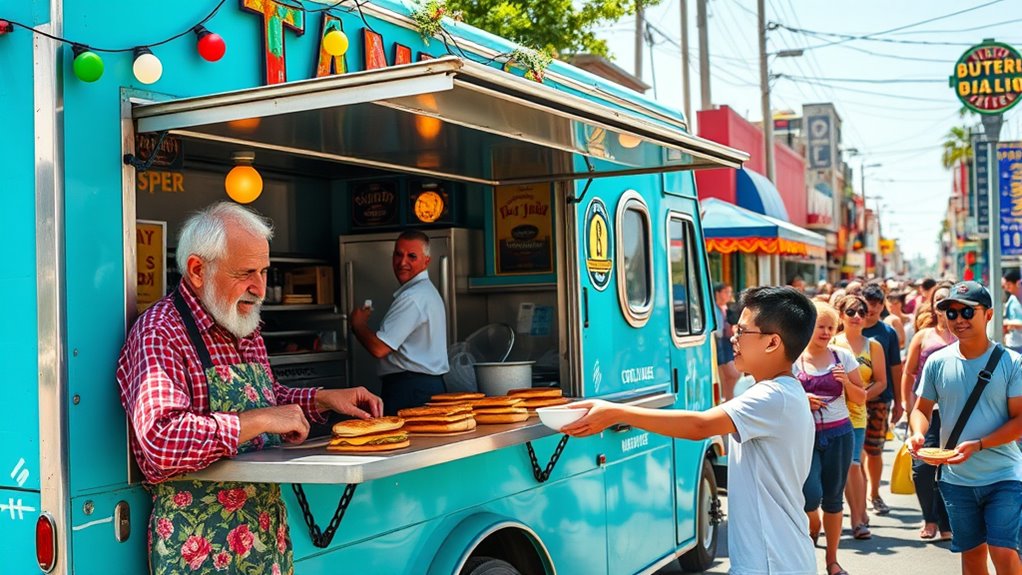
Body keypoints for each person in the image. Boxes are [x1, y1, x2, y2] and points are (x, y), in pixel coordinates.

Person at [116, 202, 383, 575]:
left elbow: (268, 401)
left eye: (263, 271)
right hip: (200, 549)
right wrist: (260, 420)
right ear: (197, 270)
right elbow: (161, 440)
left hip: (265, 533)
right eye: (245, 273)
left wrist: (322, 399)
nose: (259, 289)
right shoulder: (160, 332)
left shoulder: (243, 323)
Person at [562, 287, 818, 575]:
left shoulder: (773, 395)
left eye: (742, 332)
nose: (732, 338)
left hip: (773, 563)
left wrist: (615, 413)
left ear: (772, 342)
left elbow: (700, 425)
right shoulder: (780, 392)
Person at [909, 280, 1022, 574]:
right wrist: (918, 433)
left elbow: (1019, 422)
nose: (958, 319)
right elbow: (921, 410)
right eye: (951, 313)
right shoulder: (937, 361)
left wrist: (980, 444)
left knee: (1002, 550)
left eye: (967, 312)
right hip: (956, 479)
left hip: (1004, 476)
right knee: (972, 556)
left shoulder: (1012, 363)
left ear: (988, 314)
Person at [794, 301, 865, 574]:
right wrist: (803, 399)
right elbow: (779, 396)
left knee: (834, 499)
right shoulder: (794, 359)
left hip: (839, 434)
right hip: (804, 437)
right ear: (808, 327)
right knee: (808, 497)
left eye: (829, 327)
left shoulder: (843, 357)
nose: (824, 332)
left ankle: (831, 561)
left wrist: (846, 383)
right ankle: (813, 527)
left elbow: (861, 399)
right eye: (819, 326)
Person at [350, 230, 449, 415]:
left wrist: (358, 324)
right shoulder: (423, 292)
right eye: (398, 254)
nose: (402, 262)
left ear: (426, 261)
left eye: (412, 256)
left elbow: (379, 348)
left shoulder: (414, 297)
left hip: (411, 389)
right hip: (420, 386)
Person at [831, 294, 887, 540]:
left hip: (856, 414)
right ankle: (853, 513)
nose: (856, 317)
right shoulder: (830, 342)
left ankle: (857, 519)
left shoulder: (873, 345)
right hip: (830, 414)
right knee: (839, 469)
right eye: (851, 312)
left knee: (853, 464)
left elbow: (882, 381)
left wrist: (860, 394)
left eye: (861, 312)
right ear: (840, 315)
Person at [902, 283, 955, 541]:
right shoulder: (923, 336)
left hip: (956, 413)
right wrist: (906, 406)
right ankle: (929, 518)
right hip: (926, 410)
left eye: (948, 299)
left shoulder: (966, 336)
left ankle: (946, 522)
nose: (943, 305)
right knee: (922, 466)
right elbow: (909, 372)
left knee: (949, 467)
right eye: (939, 300)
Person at [861, 283, 904, 516]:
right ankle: (859, 496)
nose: (872, 309)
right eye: (869, 304)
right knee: (854, 453)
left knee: (874, 449)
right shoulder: (849, 328)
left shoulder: (887, 333)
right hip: (850, 401)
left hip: (880, 398)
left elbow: (896, 369)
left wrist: (899, 402)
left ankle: (874, 494)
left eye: (877, 304)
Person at [714, 282, 741, 401]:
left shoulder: (728, 309)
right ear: (717, 293)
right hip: (717, 343)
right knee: (731, 374)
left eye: (730, 292)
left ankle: (727, 398)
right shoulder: (713, 309)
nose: (729, 295)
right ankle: (727, 398)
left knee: (729, 376)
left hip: (726, 344)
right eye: (726, 292)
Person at [1001, 269, 1022, 353]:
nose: (1007, 288)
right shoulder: (1011, 300)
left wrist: (1010, 324)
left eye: (1009, 285)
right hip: (1013, 345)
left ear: (1018, 283)